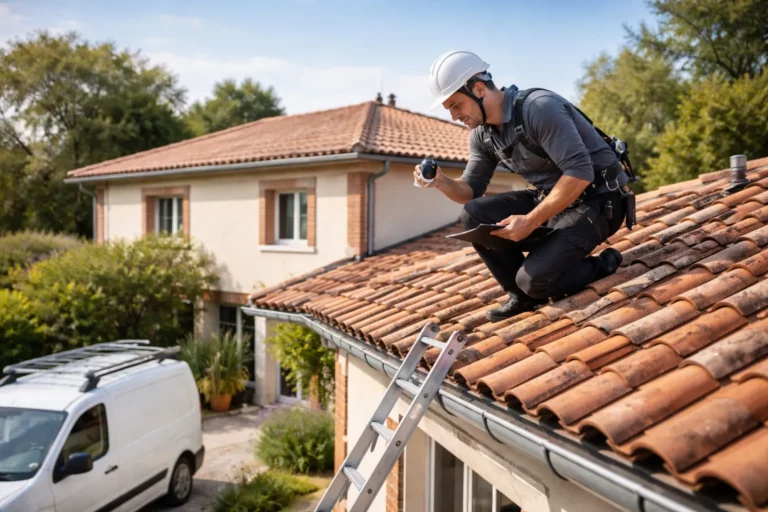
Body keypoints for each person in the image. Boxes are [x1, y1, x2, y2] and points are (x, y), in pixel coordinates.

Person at [415, 50, 628, 322]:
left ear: (479, 89)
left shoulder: (539, 108)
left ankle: (599, 266)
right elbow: (469, 190)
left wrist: (529, 221)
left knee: (537, 281)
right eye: (449, 109)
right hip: (556, 201)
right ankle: (521, 296)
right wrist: (440, 181)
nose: (455, 116)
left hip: (601, 201)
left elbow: (579, 173)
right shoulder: (483, 135)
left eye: (456, 105)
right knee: (473, 213)